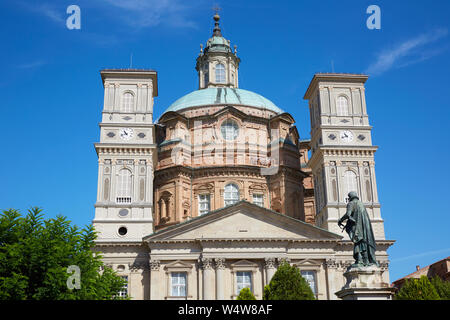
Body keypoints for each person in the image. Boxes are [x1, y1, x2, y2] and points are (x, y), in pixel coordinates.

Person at [338, 192, 377, 267]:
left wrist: (340, 220)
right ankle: (365, 260)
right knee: (363, 243)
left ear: (349, 198)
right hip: (364, 227)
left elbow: (348, 214)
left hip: (357, 227)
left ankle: (360, 260)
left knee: (358, 242)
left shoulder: (351, 203)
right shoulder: (361, 204)